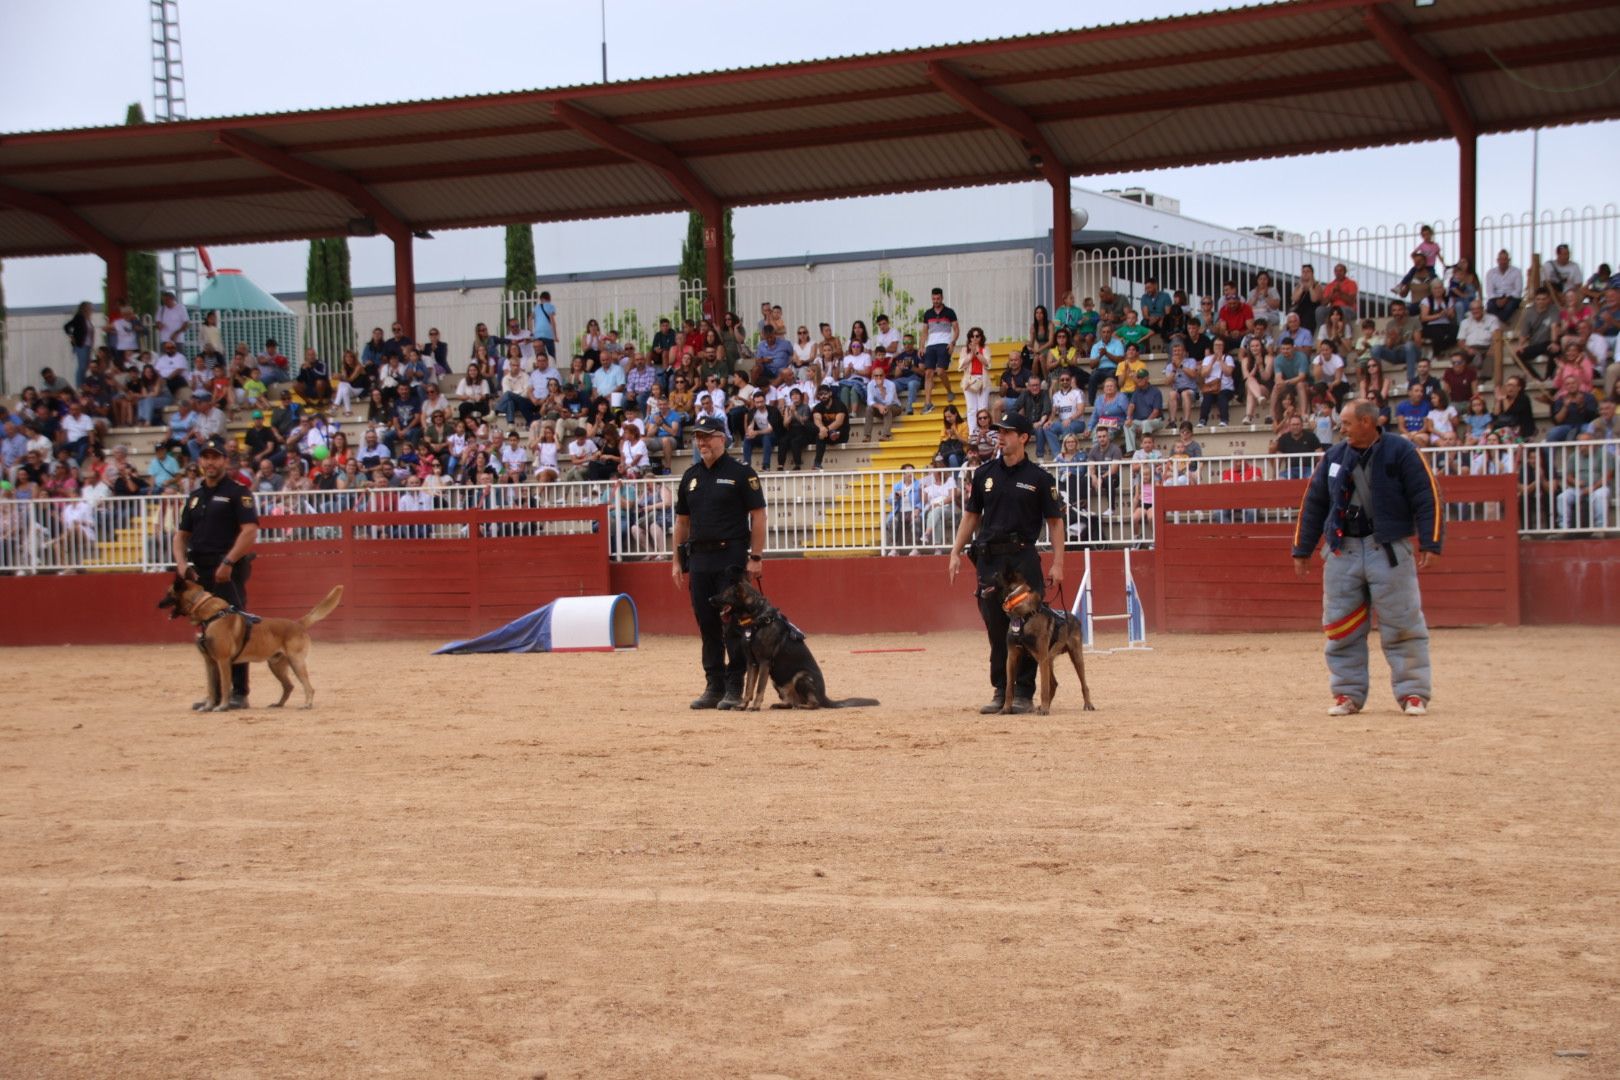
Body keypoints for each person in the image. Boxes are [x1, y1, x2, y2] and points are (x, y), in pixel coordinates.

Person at [1292, 400, 1442, 717]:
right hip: (1342, 549)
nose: (1340, 429)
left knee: (1403, 624)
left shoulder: (1401, 451)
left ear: (1365, 422)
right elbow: (1314, 503)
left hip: (1387, 549)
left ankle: (1413, 692)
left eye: (1345, 423)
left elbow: (1427, 497)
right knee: (1341, 627)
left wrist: (1431, 542)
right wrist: (1302, 548)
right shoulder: (1334, 456)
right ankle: (1347, 693)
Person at [946, 412, 1066, 715]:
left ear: (1023, 437)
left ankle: (1024, 692)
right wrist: (955, 551)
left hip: (1023, 558)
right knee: (996, 627)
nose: (1000, 436)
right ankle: (1002, 689)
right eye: (999, 431)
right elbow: (971, 516)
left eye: (1008, 432)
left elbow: (1055, 522)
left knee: (1028, 626)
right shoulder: (985, 474)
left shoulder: (1039, 478)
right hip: (990, 562)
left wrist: (1058, 563)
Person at [671, 415, 768, 711]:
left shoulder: (741, 473)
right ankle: (713, 685)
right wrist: (676, 560)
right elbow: (682, 521)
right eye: (698, 437)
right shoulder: (690, 476)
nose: (702, 442)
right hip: (699, 559)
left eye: (708, 436)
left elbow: (759, 515)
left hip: (731, 558)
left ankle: (735, 685)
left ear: (722, 438)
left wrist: (756, 557)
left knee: (733, 625)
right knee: (707, 623)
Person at [172, 436, 260, 710]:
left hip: (227, 568)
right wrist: (181, 565)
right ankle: (215, 694)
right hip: (200, 571)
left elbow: (250, 531)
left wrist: (229, 561)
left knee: (235, 627)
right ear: (200, 461)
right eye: (206, 457)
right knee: (206, 631)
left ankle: (239, 692)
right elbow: (181, 535)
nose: (210, 462)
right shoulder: (196, 497)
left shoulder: (237, 492)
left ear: (225, 460)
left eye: (215, 457)